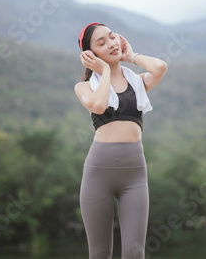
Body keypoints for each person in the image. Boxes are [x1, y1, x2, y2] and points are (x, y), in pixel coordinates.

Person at [74, 23, 167, 259]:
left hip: (134, 174)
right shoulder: (84, 86)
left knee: (135, 253)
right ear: (90, 55)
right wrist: (105, 71)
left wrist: (131, 56)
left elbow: (159, 67)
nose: (111, 44)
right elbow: (98, 105)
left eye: (112, 37)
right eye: (101, 43)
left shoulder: (137, 82)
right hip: (98, 173)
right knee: (100, 254)